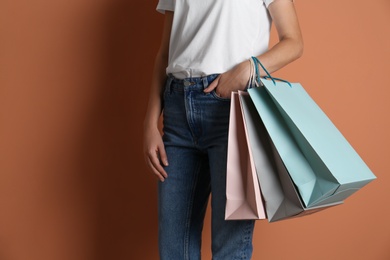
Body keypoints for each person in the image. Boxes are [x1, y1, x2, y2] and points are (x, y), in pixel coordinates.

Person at [143, 0, 303, 259]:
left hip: (232, 109)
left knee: (230, 248)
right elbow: (165, 53)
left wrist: (247, 68)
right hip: (176, 111)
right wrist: (150, 122)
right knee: (174, 250)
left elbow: (294, 41)